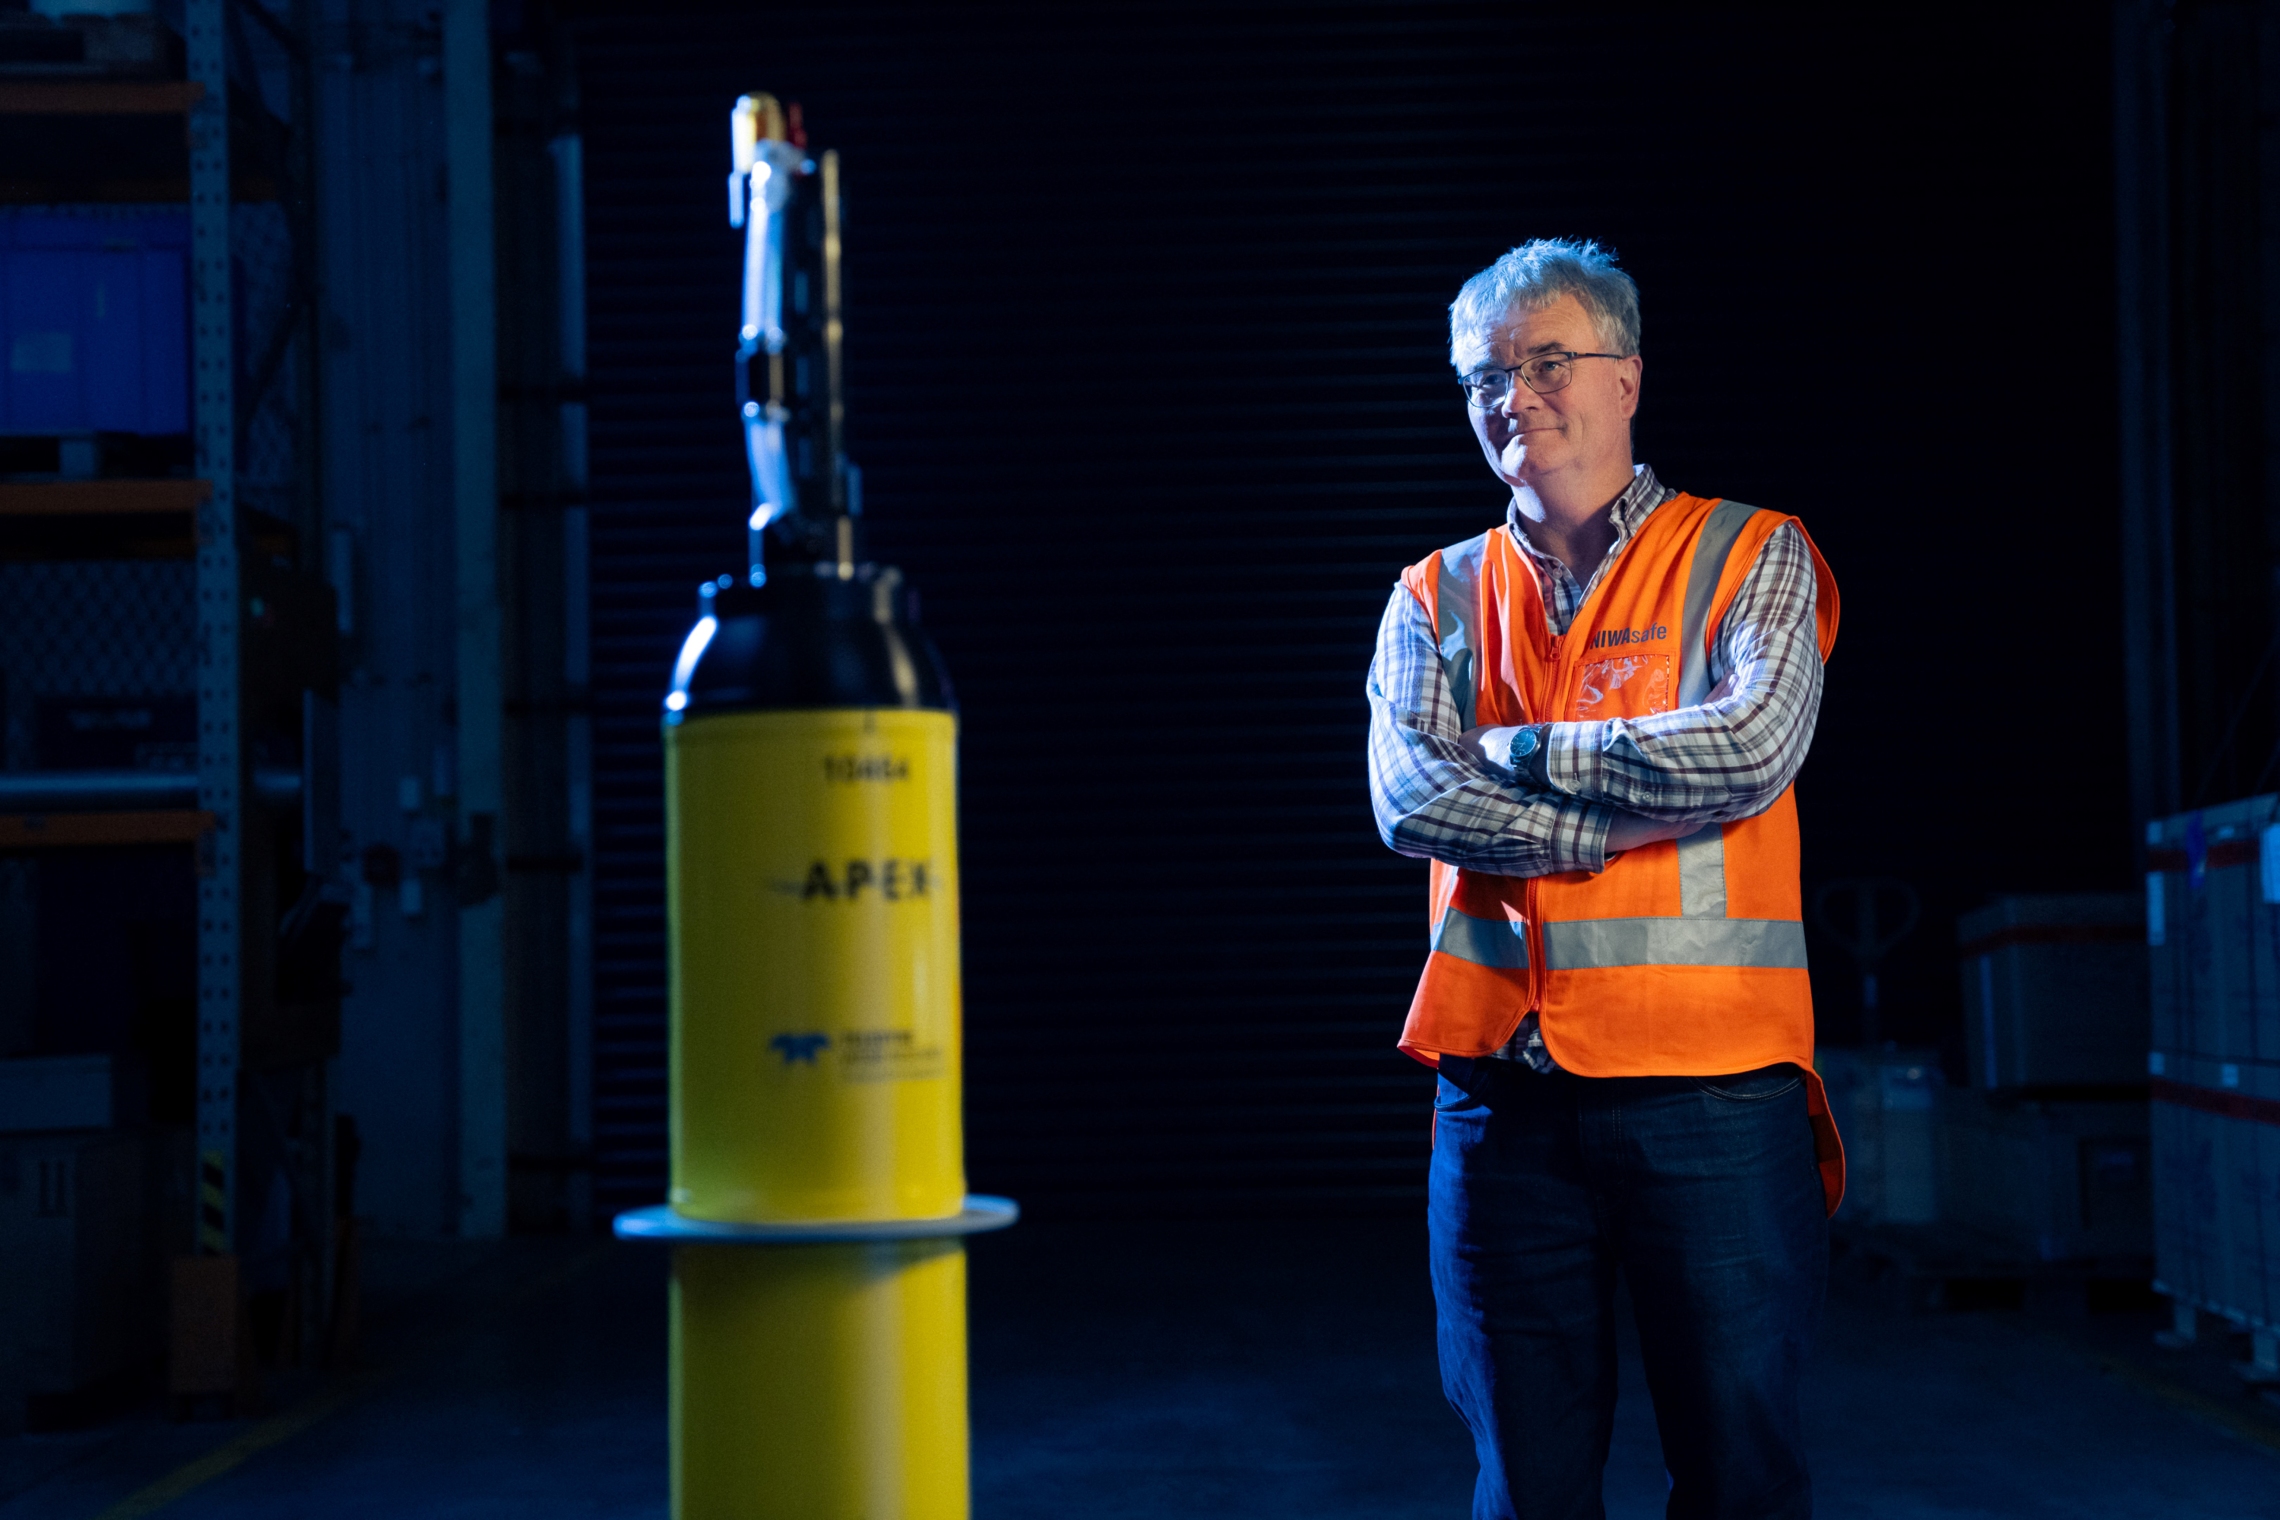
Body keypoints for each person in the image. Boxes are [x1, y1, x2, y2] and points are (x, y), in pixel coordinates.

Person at [1365, 238, 1845, 1520]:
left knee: (1742, 1475)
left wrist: (1524, 751)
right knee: (1525, 1486)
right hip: (1502, 1104)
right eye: (1485, 376)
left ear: (1628, 377)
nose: (1514, 396)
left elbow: (1749, 748)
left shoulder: (1752, 556)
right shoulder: (1436, 596)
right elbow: (1412, 799)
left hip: (1716, 1100)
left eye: (1548, 362)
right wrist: (1608, 825)